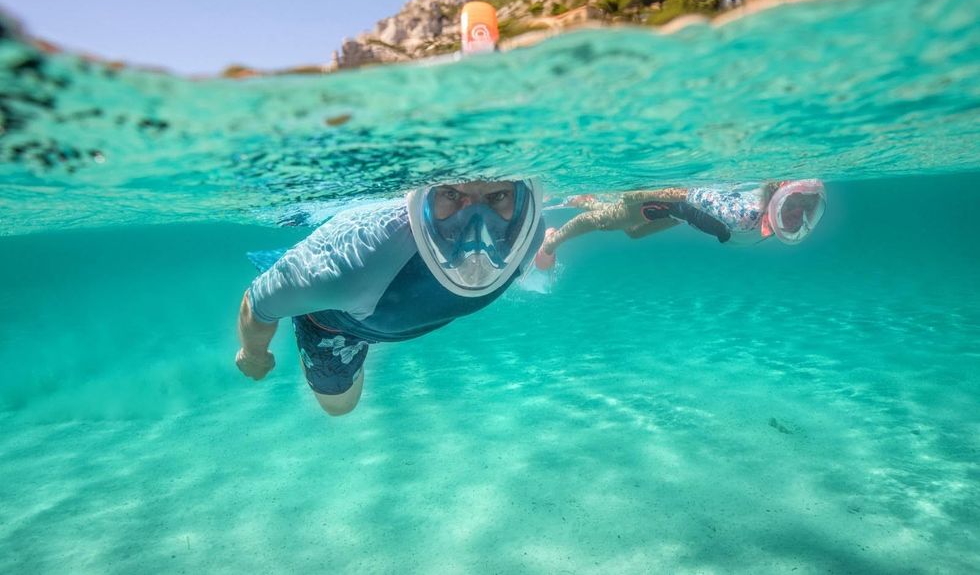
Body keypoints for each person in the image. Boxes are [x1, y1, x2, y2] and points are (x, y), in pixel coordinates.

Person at [236, 179, 544, 416]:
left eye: (498, 195)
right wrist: (253, 355)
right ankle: (297, 289)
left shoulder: (529, 236)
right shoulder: (355, 263)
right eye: (450, 194)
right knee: (339, 407)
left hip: (369, 306)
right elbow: (257, 302)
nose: (476, 225)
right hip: (333, 325)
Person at [535, 180, 826, 268]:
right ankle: (550, 243)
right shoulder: (739, 214)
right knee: (605, 222)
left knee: (634, 233)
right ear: (776, 200)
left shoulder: (771, 221)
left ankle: (585, 200)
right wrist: (636, 196)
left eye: (806, 210)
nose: (797, 217)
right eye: (792, 206)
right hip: (665, 203)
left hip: (678, 216)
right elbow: (685, 193)